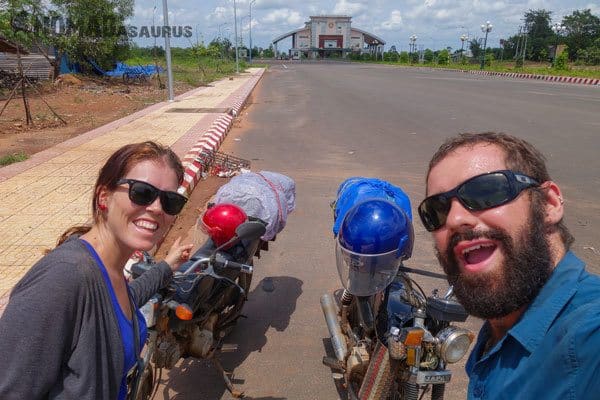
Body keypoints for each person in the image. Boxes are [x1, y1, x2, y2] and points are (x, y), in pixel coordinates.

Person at [0, 141, 194, 400]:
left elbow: (122, 302)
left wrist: (167, 266)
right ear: (104, 197)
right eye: (141, 193)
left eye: (170, 201)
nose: (157, 208)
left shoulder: (107, 268)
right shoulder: (64, 277)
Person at [418, 132, 600, 399]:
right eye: (437, 210)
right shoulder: (506, 322)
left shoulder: (588, 336)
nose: (455, 219)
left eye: (485, 192)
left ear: (549, 204)